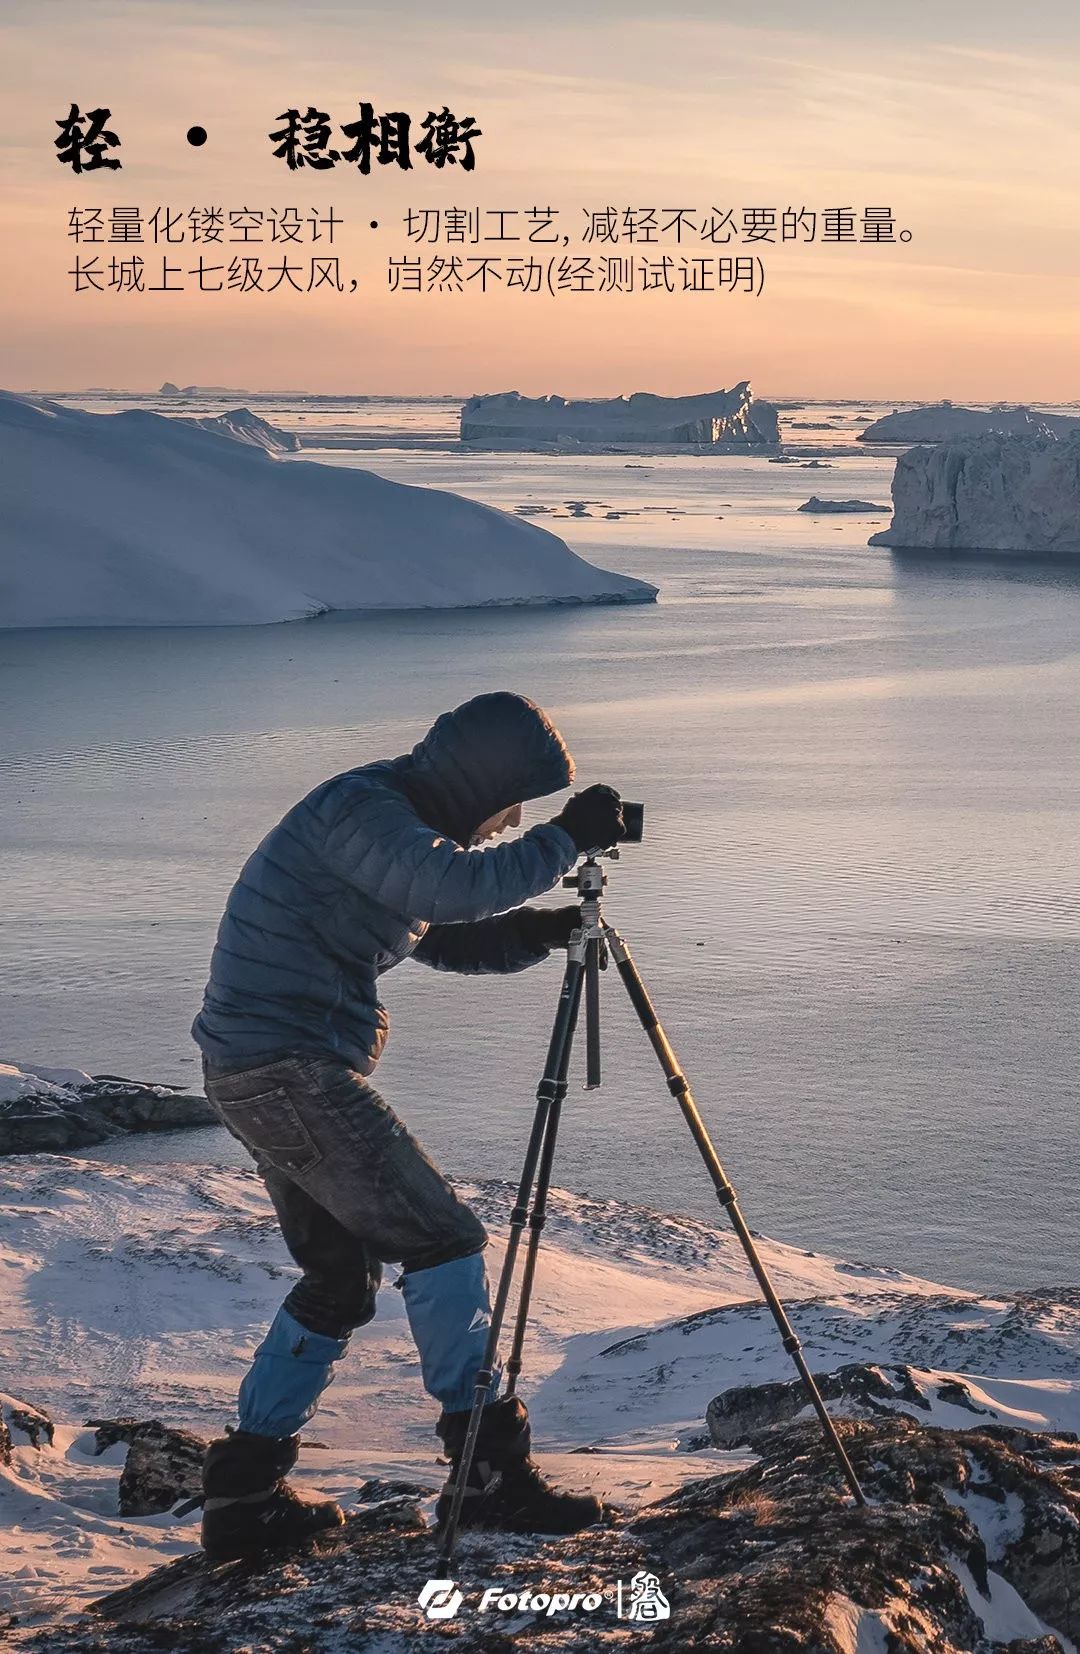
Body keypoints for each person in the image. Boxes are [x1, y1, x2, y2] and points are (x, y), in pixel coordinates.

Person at [190, 690, 626, 1560]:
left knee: (339, 1282)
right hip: (287, 1068)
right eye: (512, 805)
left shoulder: (389, 830)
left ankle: (244, 1501)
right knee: (444, 1237)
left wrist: (535, 931)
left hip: (265, 1068)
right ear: (481, 781)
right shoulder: (363, 811)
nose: (509, 825)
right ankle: (488, 1477)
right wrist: (565, 840)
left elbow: (435, 929)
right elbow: (448, 890)